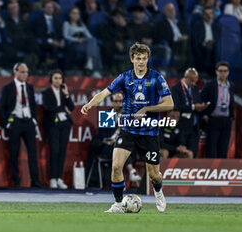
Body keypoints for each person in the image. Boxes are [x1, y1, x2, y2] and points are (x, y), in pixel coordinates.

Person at [81, 43, 173, 213]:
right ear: (132, 59)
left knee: (154, 175)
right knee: (116, 166)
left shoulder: (157, 78)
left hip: (149, 132)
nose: (141, 62)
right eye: (138, 58)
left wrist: (146, 109)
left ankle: (158, 192)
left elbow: (169, 103)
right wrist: (90, 104)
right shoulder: (125, 77)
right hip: (128, 130)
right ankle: (117, 203)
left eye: (144, 58)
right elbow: (105, 93)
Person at [0, 63, 43, 188]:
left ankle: (35, 180)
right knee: (14, 153)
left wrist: (34, 120)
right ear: (15, 72)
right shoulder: (8, 88)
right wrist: (7, 123)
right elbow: (1, 107)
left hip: (28, 122)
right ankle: (16, 180)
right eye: (22, 72)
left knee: (33, 153)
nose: (25, 75)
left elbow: (33, 105)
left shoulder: (29, 87)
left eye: (27, 72)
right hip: (15, 122)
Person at [87, 93, 142, 187]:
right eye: (116, 101)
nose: (119, 104)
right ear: (112, 102)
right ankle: (131, 171)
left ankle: (130, 174)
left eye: (121, 101)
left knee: (124, 145)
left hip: (125, 146)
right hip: (108, 148)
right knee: (120, 146)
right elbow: (102, 135)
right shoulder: (107, 115)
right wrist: (109, 140)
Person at [42, 69, 75, 189]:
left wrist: (67, 94)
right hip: (52, 124)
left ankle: (59, 178)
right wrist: (62, 108)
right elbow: (48, 107)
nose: (58, 80)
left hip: (65, 124)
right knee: (54, 151)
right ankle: (52, 178)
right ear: (51, 79)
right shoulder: (46, 93)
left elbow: (71, 107)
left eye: (60, 78)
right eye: (56, 78)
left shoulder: (64, 92)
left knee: (62, 151)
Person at [201, 61, 235, 158]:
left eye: (225, 71)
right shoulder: (210, 84)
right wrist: (205, 115)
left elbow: (231, 102)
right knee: (211, 150)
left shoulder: (231, 85)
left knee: (223, 150)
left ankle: (221, 171)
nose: (223, 73)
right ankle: (209, 171)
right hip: (213, 119)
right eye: (221, 71)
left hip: (226, 120)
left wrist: (231, 117)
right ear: (216, 72)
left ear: (228, 72)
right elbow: (201, 99)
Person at [171, 68, 207, 157]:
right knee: (182, 155)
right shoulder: (175, 88)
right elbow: (176, 107)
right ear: (185, 77)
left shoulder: (194, 88)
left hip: (194, 127)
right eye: (191, 81)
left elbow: (197, 101)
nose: (194, 83)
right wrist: (194, 107)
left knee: (193, 153)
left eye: (195, 81)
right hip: (182, 127)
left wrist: (201, 107)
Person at [63, 6, 102, 77]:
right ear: (70, 14)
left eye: (77, 13)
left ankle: (90, 61)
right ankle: (95, 70)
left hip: (84, 44)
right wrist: (77, 40)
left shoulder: (82, 24)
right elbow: (66, 36)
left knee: (94, 42)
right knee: (96, 48)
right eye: (74, 13)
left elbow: (90, 37)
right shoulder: (67, 24)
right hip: (74, 45)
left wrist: (85, 40)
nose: (75, 15)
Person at [191, 6, 219, 75]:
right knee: (207, 50)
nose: (209, 15)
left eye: (210, 13)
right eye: (206, 14)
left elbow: (218, 38)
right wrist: (205, 43)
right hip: (202, 46)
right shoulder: (197, 24)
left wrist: (213, 42)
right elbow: (195, 39)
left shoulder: (216, 25)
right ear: (203, 15)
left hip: (214, 46)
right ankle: (207, 74)